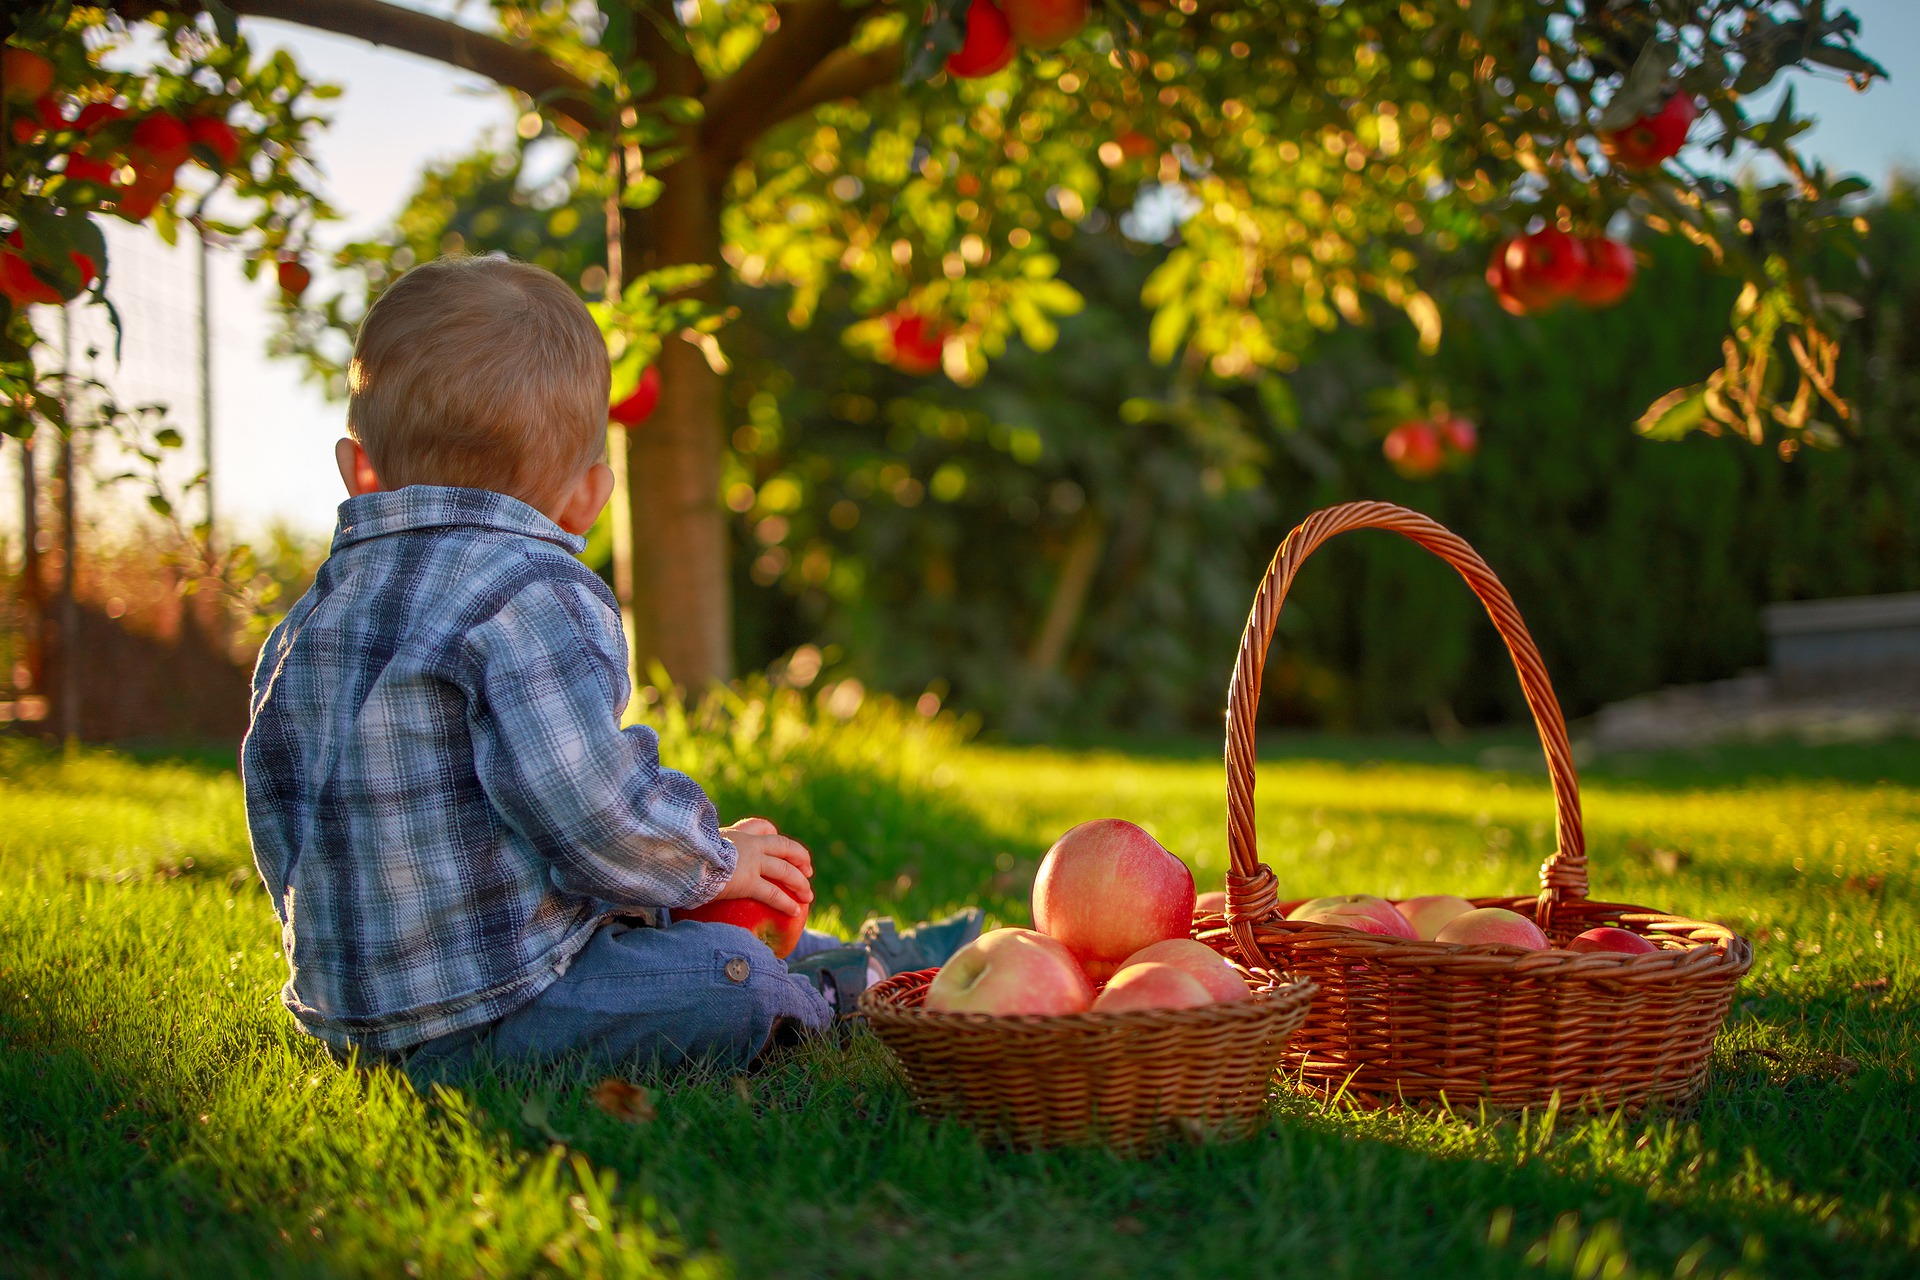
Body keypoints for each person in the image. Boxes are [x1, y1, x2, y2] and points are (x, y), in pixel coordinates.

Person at [240, 255, 978, 1084]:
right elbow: (593, 812)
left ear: (359, 470)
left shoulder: (308, 625)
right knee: (723, 981)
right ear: (588, 498)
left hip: (348, 1021)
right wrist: (714, 860)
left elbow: (277, 817)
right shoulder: (528, 594)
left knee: (672, 919)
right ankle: (852, 992)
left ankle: (854, 956)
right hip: (502, 1009)